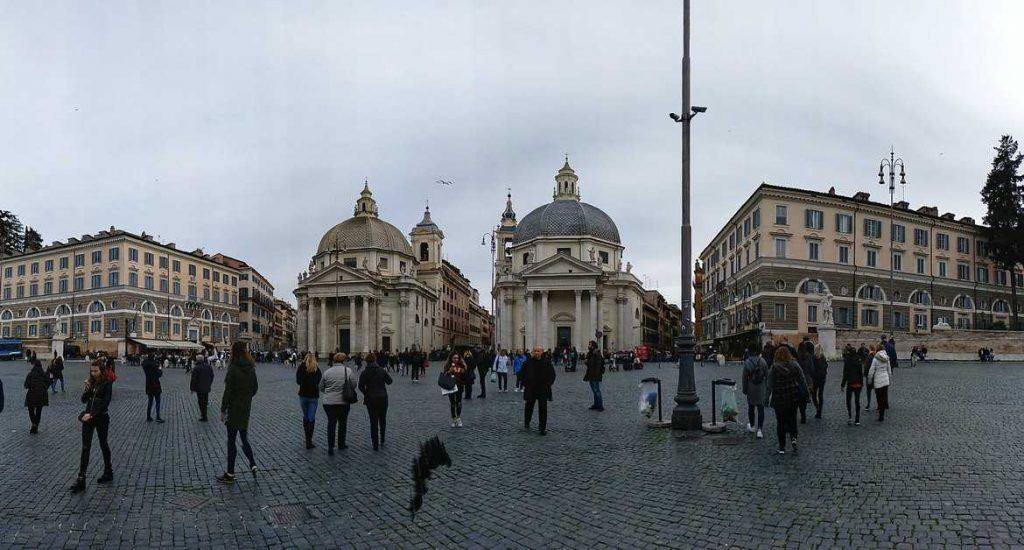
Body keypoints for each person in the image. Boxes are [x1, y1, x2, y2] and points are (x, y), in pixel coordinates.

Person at [70, 359, 114, 493]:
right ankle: (81, 478)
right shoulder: (92, 383)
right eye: (92, 371)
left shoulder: (107, 384)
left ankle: (108, 471)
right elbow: (83, 400)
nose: (93, 373)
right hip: (88, 417)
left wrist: (92, 414)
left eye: (96, 371)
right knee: (85, 447)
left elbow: (105, 403)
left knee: (103, 444)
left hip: (101, 418)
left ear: (101, 370)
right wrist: (87, 388)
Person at [217, 342, 258, 484]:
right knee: (244, 438)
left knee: (231, 442)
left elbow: (227, 392)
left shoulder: (233, 368)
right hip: (245, 409)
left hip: (233, 409)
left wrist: (223, 410)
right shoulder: (251, 368)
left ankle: (230, 473)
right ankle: (252, 463)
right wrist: (245, 398)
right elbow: (255, 389)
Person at [766, 346, 806, 454]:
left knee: (780, 422)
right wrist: (806, 395)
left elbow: (769, 385)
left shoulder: (774, 368)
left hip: (779, 398)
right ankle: (793, 439)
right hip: (793, 397)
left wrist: (766, 399)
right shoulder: (795, 364)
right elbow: (802, 380)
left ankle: (782, 447)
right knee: (793, 419)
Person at [320, 353, 357, 454]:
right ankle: (341, 444)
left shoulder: (327, 372)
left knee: (331, 423)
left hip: (328, 402)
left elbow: (321, 387)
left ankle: (330, 446)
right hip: (343, 402)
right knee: (342, 423)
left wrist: (329, 393)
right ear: (344, 361)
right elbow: (354, 385)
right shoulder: (348, 371)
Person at [358, 353, 392, 450]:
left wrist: (366, 393)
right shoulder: (381, 370)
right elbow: (390, 381)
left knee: (373, 422)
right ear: (375, 360)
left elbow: (360, 386)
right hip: (383, 397)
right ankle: (382, 439)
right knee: (382, 419)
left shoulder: (364, 372)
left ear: (366, 361)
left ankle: (375, 444)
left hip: (370, 399)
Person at [522, 346, 556, 435]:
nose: (536, 353)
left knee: (543, 408)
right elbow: (522, 373)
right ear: (533, 352)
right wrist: (525, 383)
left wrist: (548, 384)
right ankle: (527, 421)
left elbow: (552, 374)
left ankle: (542, 428)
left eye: (538, 351)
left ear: (542, 352)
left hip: (543, 388)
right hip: (531, 388)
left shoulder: (547, 363)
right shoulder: (527, 362)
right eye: (535, 351)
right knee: (529, 406)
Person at [296, 353, 323, 450]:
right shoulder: (316, 369)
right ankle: (309, 441)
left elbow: (298, 381)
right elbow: (319, 381)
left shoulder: (301, 368)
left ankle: (307, 439)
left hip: (303, 395)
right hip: (313, 396)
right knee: (311, 417)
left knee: (306, 416)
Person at [741, 346, 768, 438]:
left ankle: (752, 426)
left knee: (751, 408)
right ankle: (760, 429)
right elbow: (767, 375)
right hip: (761, 388)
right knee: (761, 409)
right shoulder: (763, 361)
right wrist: (767, 389)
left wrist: (744, 389)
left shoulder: (747, 362)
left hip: (750, 387)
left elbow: (744, 377)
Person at [24, 359, 49, 434]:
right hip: (42, 395)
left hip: (32, 394)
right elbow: (48, 382)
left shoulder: (30, 374)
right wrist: (44, 388)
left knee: (31, 410)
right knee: (39, 411)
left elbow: (26, 385)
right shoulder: (43, 374)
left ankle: (34, 423)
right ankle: (36, 425)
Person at [840, 344, 863, 425]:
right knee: (857, 401)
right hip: (858, 383)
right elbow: (861, 373)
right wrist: (862, 383)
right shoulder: (859, 361)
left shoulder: (847, 361)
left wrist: (842, 385)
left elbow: (845, 374)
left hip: (850, 383)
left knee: (848, 401)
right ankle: (857, 419)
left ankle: (850, 417)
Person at [443, 353, 469, 427]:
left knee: (459, 402)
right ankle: (454, 418)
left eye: (457, 358)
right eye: (454, 358)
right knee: (452, 403)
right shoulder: (448, 365)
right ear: (451, 358)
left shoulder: (462, 366)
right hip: (450, 386)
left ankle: (458, 418)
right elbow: (444, 375)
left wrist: (462, 371)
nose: (456, 359)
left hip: (459, 385)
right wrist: (449, 371)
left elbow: (465, 375)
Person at [867, 347, 892, 422]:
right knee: (884, 397)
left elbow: (871, 371)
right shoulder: (887, 358)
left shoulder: (875, 359)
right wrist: (889, 378)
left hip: (878, 380)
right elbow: (889, 370)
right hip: (885, 380)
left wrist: (869, 380)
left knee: (879, 398)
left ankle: (880, 414)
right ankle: (882, 414)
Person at [190, 355, 215, 421]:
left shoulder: (196, 368)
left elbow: (193, 379)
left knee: (201, 402)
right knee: (205, 401)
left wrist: (192, 388)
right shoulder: (208, 366)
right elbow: (212, 376)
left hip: (199, 388)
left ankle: (204, 415)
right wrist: (209, 383)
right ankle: (204, 415)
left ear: (197, 360)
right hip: (206, 387)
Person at [142, 353, 164, 423]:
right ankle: (158, 417)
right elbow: (159, 374)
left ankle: (148, 416)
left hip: (148, 384)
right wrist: (160, 368)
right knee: (158, 401)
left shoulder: (145, 364)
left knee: (150, 401)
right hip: (155, 385)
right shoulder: (154, 364)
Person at [583, 341, 605, 411]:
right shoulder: (590, 354)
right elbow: (591, 365)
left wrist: (596, 375)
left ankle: (600, 406)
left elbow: (599, 365)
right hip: (591, 374)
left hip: (595, 375)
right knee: (594, 391)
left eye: (589, 344)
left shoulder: (597, 354)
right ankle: (596, 404)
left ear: (593, 346)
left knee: (597, 390)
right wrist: (586, 362)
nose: (588, 346)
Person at [796, 344, 814, 424]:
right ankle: (803, 414)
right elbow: (812, 368)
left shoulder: (796, 357)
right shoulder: (809, 357)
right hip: (807, 378)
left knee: (798, 396)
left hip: (798, 378)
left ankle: (799, 413)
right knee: (805, 396)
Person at [811, 344, 829, 419]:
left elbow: (811, 368)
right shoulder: (823, 357)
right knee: (820, 395)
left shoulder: (813, 357)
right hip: (822, 378)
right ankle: (819, 411)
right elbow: (826, 366)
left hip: (815, 379)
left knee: (814, 395)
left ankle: (817, 408)